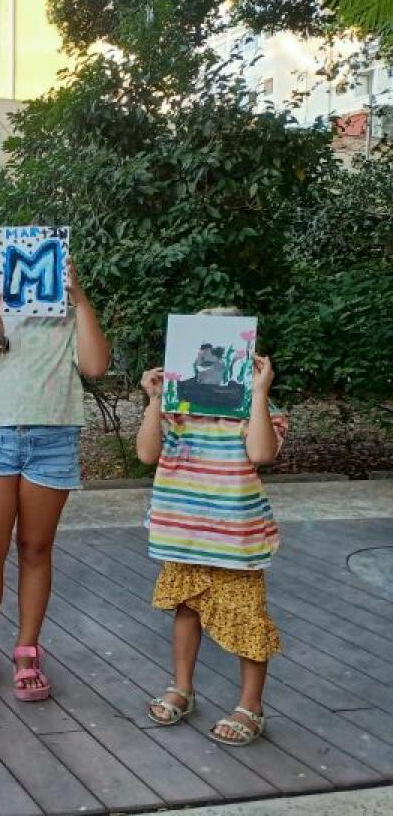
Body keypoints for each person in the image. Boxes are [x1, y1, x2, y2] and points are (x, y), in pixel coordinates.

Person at [0, 260, 110, 699]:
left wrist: (79, 296)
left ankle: (27, 648)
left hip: (54, 437)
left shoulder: (70, 313)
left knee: (36, 548)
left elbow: (95, 366)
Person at [138, 316, 285, 747]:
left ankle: (250, 706)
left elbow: (260, 452)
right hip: (184, 533)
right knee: (186, 608)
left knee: (247, 617)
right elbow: (147, 454)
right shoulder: (174, 408)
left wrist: (258, 395)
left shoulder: (259, 411)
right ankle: (182, 687)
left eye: (215, 355)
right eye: (198, 354)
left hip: (236, 538)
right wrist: (153, 401)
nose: (205, 364)